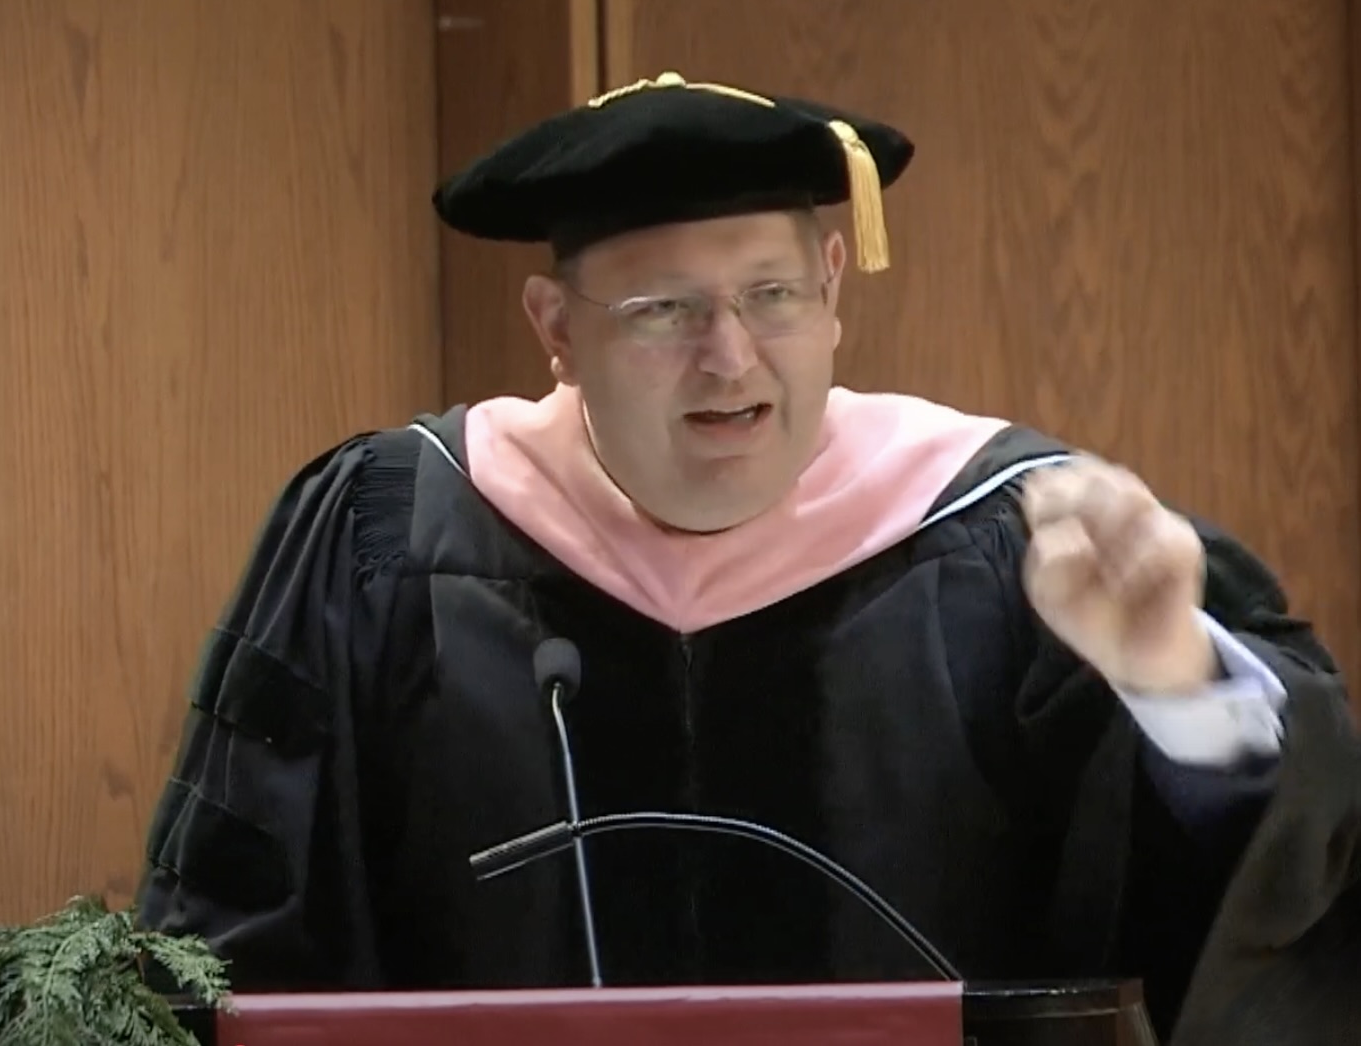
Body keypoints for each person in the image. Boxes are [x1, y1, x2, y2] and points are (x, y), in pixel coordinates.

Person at [135, 71, 1361, 1043]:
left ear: (834, 286)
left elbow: (1264, 896)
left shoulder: (1018, 533)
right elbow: (237, 937)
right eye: (663, 310)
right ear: (555, 329)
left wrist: (1176, 684)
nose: (730, 356)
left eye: (770, 294)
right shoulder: (388, 537)